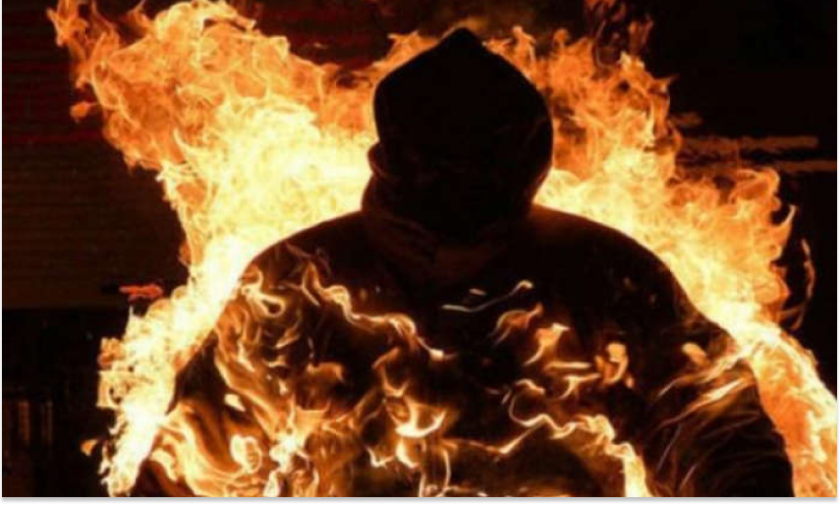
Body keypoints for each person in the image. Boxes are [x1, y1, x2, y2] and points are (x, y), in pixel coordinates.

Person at [135, 28, 793, 498]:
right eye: (442, 163)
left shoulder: (603, 277)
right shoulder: (295, 282)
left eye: (477, 164)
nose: (457, 184)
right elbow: (192, 463)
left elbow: (717, 435)